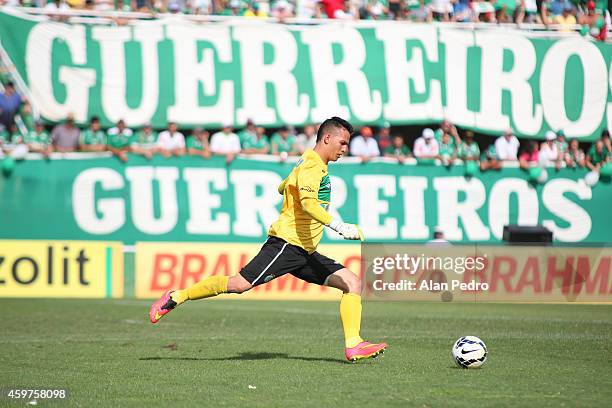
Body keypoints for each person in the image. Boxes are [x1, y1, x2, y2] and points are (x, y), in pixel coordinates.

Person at [149, 117, 387, 363]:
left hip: (304, 250)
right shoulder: (312, 166)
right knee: (239, 284)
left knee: (352, 283)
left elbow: (282, 187)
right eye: (343, 142)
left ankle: (354, 344)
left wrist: (288, 186)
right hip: (287, 244)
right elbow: (307, 204)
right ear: (327, 138)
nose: (345, 149)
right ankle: (177, 296)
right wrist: (338, 225)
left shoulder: (307, 160)